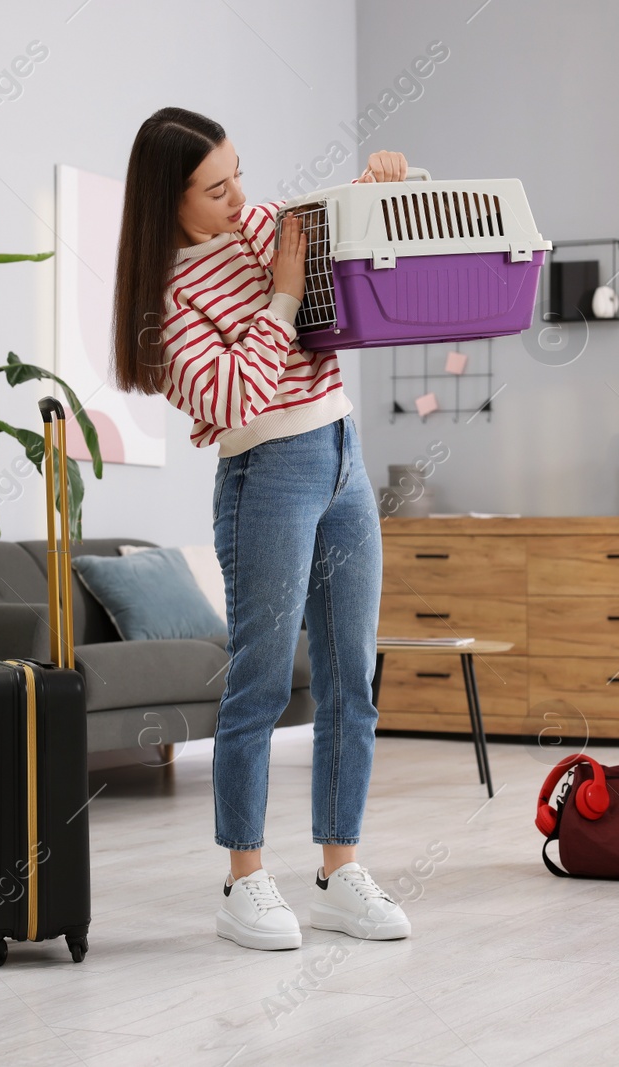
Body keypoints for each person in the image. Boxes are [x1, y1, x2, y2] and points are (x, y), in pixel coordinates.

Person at [111, 107, 410, 951]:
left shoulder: (253, 220)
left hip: (343, 449)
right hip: (267, 472)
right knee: (263, 682)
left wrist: (371, 188)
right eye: (216, 187)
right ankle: (244, 879)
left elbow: (322, 241)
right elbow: (236, 395)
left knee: (353, 676)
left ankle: (339, 870)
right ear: (170, 202)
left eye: (239, 171)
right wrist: (281, 291)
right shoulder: (164, 304)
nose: (241, 195)